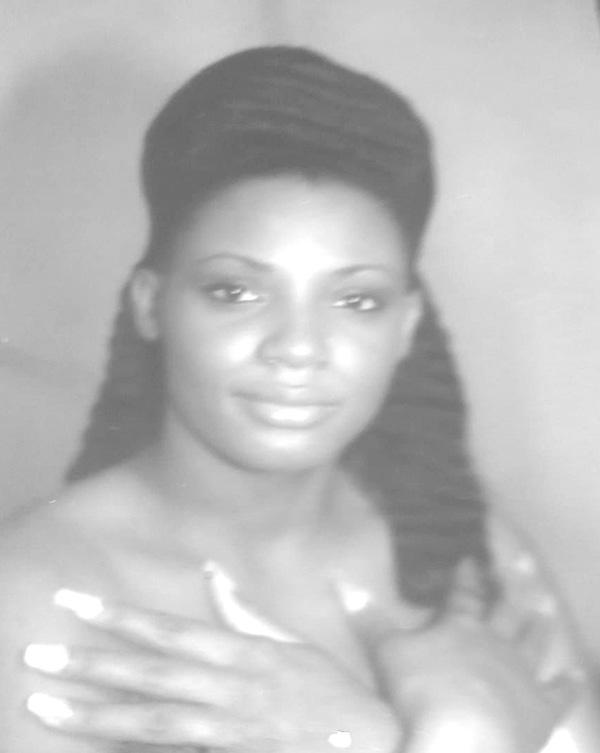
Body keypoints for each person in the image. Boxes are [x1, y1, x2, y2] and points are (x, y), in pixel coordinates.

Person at [0, 46, 592, 752]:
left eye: (357, 300)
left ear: (406, 326)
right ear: (151, 305)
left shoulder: (463, 540)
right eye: (235, 291)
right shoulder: (40, 594)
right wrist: (406, 737)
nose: (299, 347)